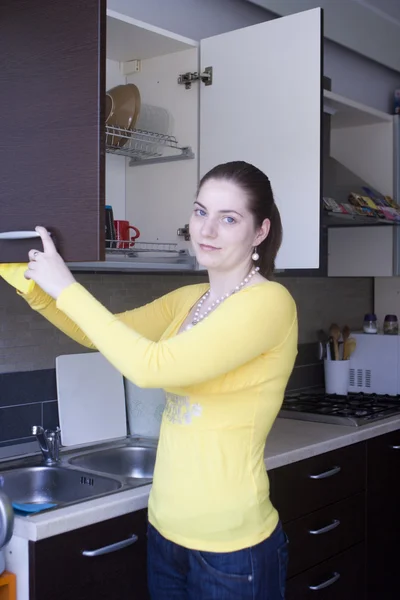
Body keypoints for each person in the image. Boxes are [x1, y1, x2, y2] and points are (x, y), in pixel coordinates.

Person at [0, 160, 298, 600]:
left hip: (233, 549)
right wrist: (16, 270)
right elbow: (97, 331)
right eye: (200, 212)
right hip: (164, 532)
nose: (207, 230)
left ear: (260, 232)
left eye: (228, 218)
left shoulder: (269, 303)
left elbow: (150, 367)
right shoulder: (190, 300)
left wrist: (68, 287)